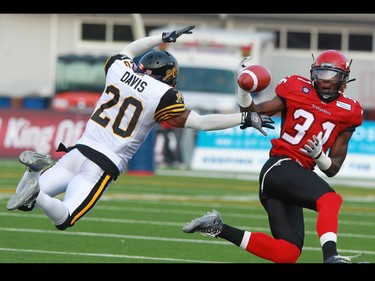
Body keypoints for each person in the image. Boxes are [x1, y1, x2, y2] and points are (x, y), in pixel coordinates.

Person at [6, 25, 275, 231]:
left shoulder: (118, 70)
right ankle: (36, 189)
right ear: (169, 75)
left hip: (78, 150)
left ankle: (33, 172)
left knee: (22, 200)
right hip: (102, 164)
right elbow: (200, 122)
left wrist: (163, 37)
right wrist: (242, 119)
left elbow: (128, 49)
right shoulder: (164, 95)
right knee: (65, 218)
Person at [183, 50, 365, 263]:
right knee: (331, 199)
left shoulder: (350, 111)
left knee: (286, 254)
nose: (325, 81)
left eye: (330, 75)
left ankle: (217, 227)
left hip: (297, 176)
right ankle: (331, 257)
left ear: (343, 78)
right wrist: (244, 89)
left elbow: (332, 169)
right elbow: (253, 112)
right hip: (280, 165)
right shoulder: (297, 87)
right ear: (313, 74)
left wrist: (319, 156)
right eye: (321, 73)